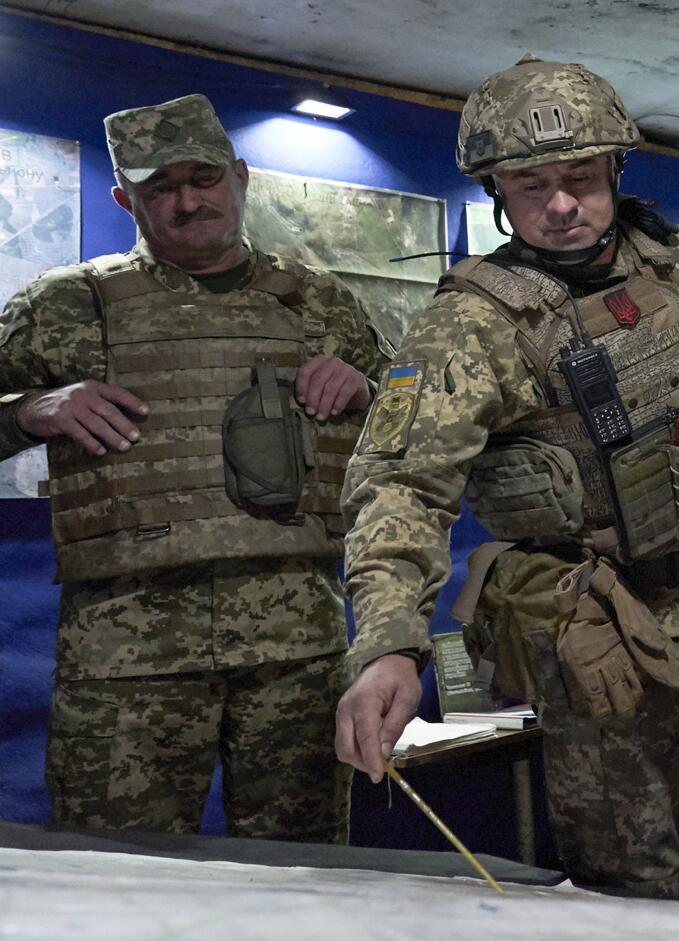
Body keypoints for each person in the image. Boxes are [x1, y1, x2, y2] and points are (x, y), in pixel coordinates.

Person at [334, 55, 679, 906]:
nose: (560, 205)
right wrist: (388, 645)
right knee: (624, 898)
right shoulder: (471, 326)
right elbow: (400, 488)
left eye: (582, 179)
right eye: (531, 185)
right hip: (608, 647)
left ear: (616, 171)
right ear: (497, 193)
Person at [0, 94, 391, 841]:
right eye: (160, 187)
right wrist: (31, 412)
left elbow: (416, 436)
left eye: (203, 177)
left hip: (297, 650)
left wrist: (366, 391)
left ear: (240, 177)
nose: (187, 201)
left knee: (303, 876)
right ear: (126, 199)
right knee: (116, 876)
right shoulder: (67, 305)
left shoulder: (324, 304)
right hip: (126, 655)